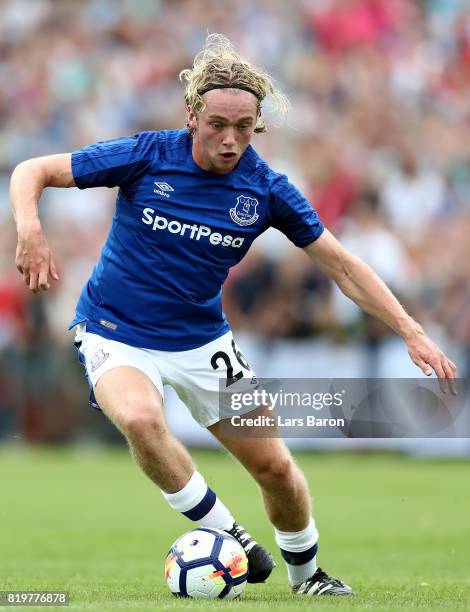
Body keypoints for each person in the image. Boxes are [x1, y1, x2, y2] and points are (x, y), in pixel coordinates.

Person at [10, 34, 457, 597]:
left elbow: (342, 267)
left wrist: (412, 331)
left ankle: (308, 577)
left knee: (274, 469)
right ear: (192, 114)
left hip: (203, 341)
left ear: (258, 126)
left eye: (244, 127)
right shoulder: (148, 154)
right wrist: (30, 230)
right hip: (114, 329)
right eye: (218, 123)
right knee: (144, 421)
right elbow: (32, 169)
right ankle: (234, 540)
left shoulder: (267, 189)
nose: (230, 139)